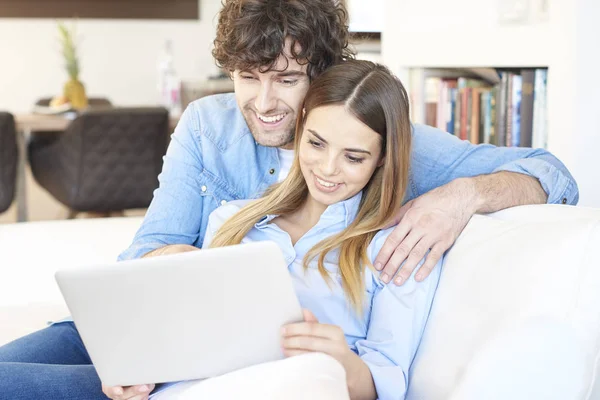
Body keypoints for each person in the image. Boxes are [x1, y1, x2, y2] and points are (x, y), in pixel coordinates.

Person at [0, 0, 579, 398]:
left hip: (219, 370)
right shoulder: (208, 126)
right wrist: (172, 270)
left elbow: (552, 174)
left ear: (324, 75)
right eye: (248, 77)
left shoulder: (376, 133)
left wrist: (462, 196)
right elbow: (147, 248)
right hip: (154, 328)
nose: (264, 102)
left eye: (285, 78)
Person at [126, 59, 442, 400]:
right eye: (316, 144)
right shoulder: (232, 221)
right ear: (300, 130)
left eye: (353, 157)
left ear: (382, 157)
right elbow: (186, 340)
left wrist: (342, 363)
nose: (328, 168)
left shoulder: (396, 251)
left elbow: (386, 385)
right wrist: (137, 374)